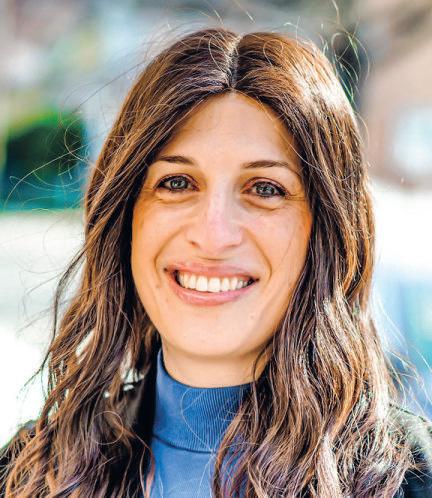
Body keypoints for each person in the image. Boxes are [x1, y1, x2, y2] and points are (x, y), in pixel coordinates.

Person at [1, 27, 431, 498]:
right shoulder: (27, 473)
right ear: (127, 218)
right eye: (177, 183)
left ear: (326, 233)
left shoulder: (409, 478)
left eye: (265, 189)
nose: (213, 233)